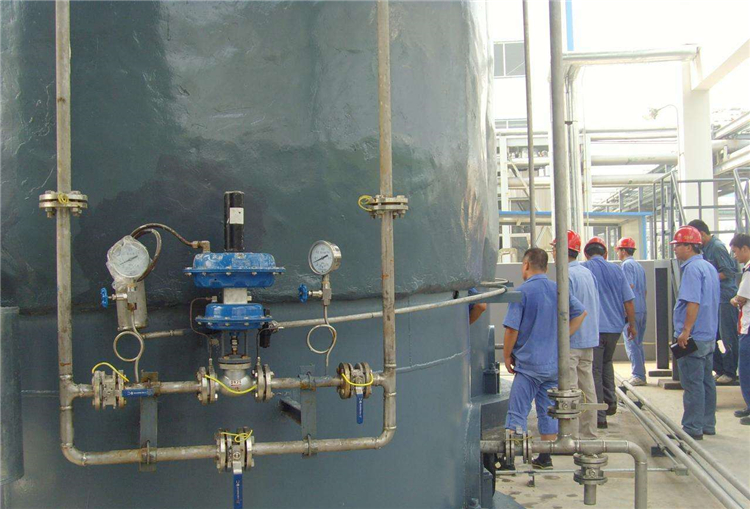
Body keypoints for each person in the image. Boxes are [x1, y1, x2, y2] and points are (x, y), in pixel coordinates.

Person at [503, 248, 587, 469]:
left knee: (517, 411)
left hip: (529, 366)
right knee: (548, 411)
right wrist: (561, 338)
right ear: (546, 267)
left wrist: (506, 355)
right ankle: (545, 457)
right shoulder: (557, 289)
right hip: (553, 365)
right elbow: (581, 313)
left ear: (526, 265)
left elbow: (511, 329)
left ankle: (511, 459)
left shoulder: (522, 292)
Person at [583, 236, 636, 429]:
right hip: (615, 328)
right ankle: (611, 403)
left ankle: (599, 416)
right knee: (606, 363)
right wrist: (632, 325)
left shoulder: (584, 269)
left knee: (594, 370)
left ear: (585, 254)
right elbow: (628, 301)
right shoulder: (617, 270)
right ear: (605, 254)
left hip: (595, 328)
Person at [671, 226, 720, 440]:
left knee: (692, 383)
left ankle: (692, 427)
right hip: (708, 334)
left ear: (689, 247)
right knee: (707, 382)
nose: (675, 250)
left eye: (678, 246)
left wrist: (685, 331)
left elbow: (693, 302)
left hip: (694, 336)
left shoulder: (691, 269)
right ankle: (708, 423)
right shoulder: (708, 267)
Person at [552, 230, 600, 439]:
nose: (553, 253)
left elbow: (565, 312)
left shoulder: (566, 276)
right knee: (587, 387)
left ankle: (570, 437)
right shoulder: (587, 273)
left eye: (554, 249)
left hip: (571, 341)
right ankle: (589, 434)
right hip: (588, 339)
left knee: (569, 389)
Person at [688, 219, 739, 385]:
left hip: (725, 298)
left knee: (727, 336)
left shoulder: (716, 247)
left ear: (702, 234)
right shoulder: (704, 249)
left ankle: (730, 372)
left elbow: (729, 271)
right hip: (713, 298)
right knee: (713, 335)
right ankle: (720, 369)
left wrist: (708, 278)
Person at [615, 237, 648, 386]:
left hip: (632, 310)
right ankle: (641, 373)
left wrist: (625, 310)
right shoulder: (639, 266)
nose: (617, 253)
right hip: (642, 309)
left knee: (632, 343)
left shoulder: (626, 265)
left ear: (623, 251)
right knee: (638, 343)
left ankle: (638, 375)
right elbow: (644, 291)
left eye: (618, 250)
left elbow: (628, 288)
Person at [729, 233, 750, 425]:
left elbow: (740, 298)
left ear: (745, 248)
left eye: (735, 251)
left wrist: (733, 299)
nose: (734, 256)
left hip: (748, 328)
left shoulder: (749, 270)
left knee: (745, 368)